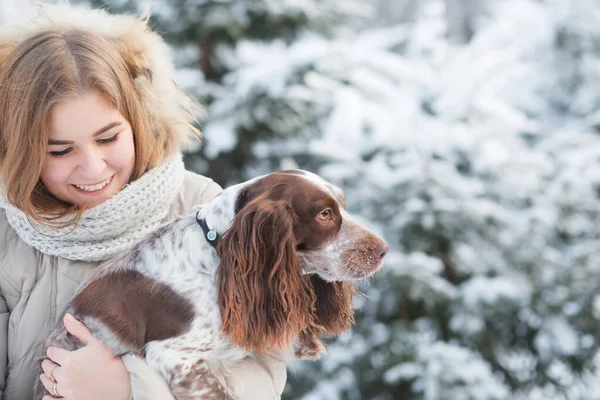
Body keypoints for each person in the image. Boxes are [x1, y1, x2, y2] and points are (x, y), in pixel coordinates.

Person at [0, 3, 286, 400]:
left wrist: (131, 388)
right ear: (21, 150)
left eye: (108, 138)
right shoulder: (7, 231)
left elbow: (260, 372)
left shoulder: (203, 210)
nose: (92, 168)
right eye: (61, 151)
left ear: (138, 121)